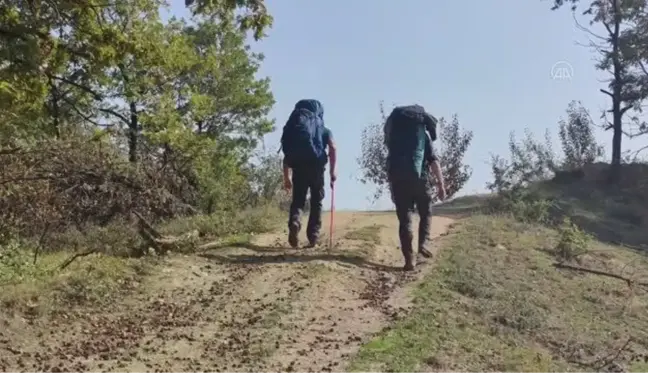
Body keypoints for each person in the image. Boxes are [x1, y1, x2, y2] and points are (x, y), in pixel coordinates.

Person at [384, 104, 446, 271]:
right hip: (420, 178)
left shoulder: (395, 135)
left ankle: (409, 260)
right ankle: (424, 243)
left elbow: (390, 158)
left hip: (398, 180)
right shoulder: (422, 136)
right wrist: (441, 184)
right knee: (426, 212)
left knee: (405, 220)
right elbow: (433, 161)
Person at [281, 99, 337, 248]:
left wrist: (287, 177)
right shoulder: (323, 129)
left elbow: (287, 152)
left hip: (298, 168)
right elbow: (332, 147)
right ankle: (313, 237)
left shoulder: (295, 127)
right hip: (317, 168)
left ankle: (295, 221)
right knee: (316, 201)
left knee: (298, 200)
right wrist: (332, 171)